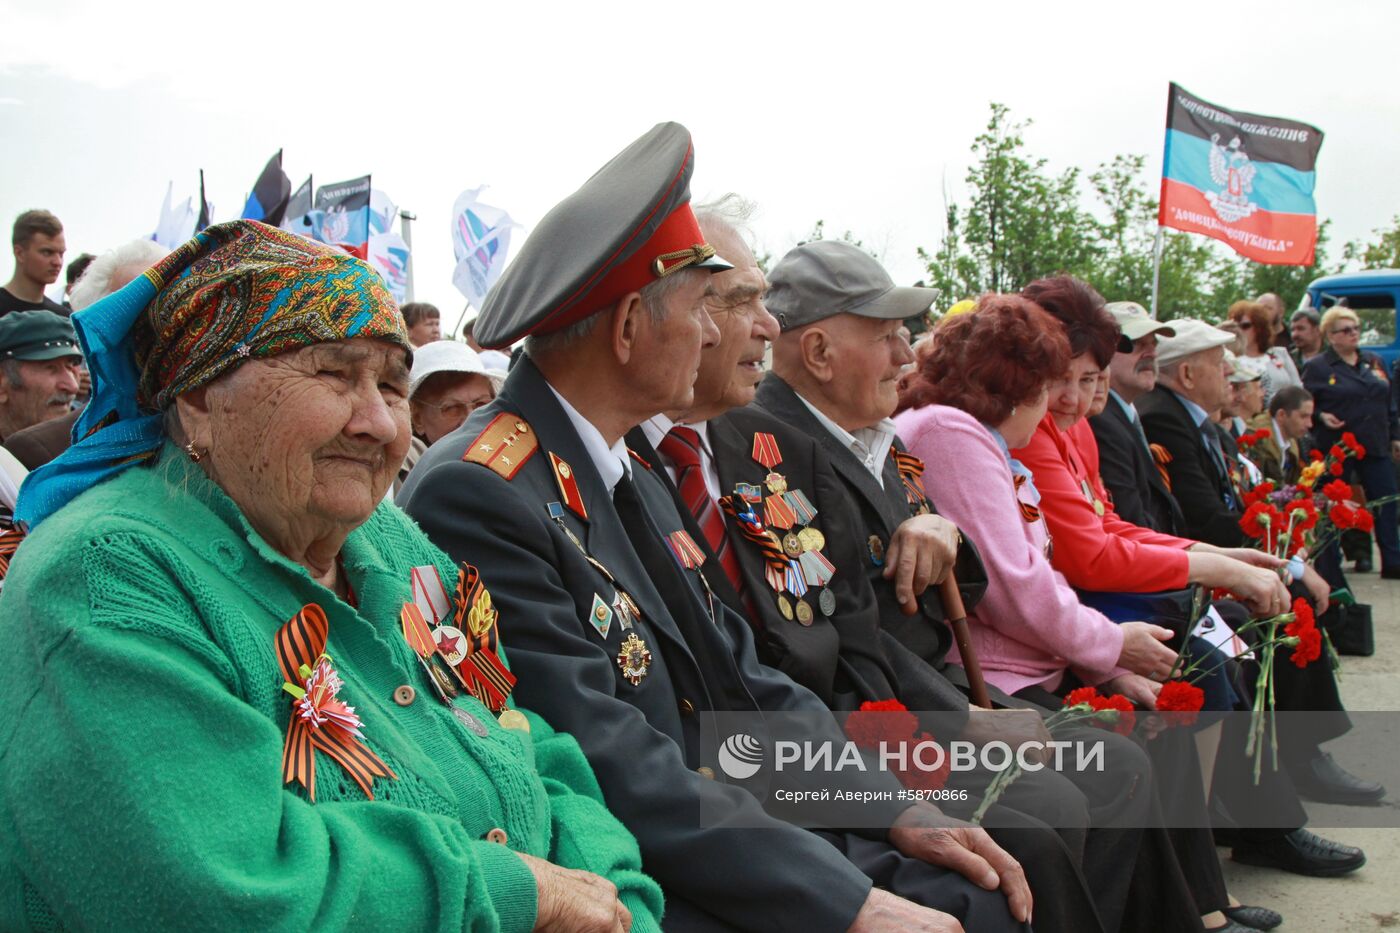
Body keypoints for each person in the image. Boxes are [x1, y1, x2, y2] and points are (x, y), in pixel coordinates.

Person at [401, 123, 1032, 933]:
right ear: (629, 325)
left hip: (734, 800)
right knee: (972, 906)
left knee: (987, 871)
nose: (714, 333)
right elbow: (612, 758)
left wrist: (892, 804)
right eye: (705, 306)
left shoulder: (623, 458)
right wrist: (849, 901)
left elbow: (741, 678)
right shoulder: (480, 489)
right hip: (643, 862)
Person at [0, 220, 662, 931]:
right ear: (197, 398)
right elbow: (227, 892)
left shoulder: (385, 535)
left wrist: (618, 895)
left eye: (392, 383)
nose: (377, 421)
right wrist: (517, 891)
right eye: (333, 373)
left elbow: (519, 729)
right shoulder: (104, 576)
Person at [5, 240, 172, 469]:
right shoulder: (45, 453)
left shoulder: (226, 415)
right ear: (100, 344)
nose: (171, 328)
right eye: (144, 317)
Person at [1302, 305, 1400, 579]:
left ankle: (1393, 560)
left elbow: (1388, 400)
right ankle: (1330, 566)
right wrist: (1321, 416)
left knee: (1386, 500)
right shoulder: (1318, 367)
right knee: (1332, 503)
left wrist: (1395, 436)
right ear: (1331, 336)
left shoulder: (1373, 361)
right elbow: (1306, 402)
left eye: (1356, 328)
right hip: (1337, 446)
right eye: (1346, 330)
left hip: (1375, 440)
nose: (1353, 334)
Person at [1089, 301, 1185, 535]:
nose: (1151, 352)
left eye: (1153, 343)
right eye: (1135, 344)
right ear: (1102, 353)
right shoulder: (1101, 421)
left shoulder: (1124, 415)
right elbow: (1131, 521)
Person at [398, 340, 503, 491]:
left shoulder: (518, 464)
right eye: (452, 408)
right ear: (417, 419)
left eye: (481, 404)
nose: (471, 419)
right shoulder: (402, 482)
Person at [0, 310, 82, 444]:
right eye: (50, 368)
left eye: (70, 366)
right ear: (1, 383)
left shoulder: (98, 436)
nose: (72, 386)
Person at [1227, 300, 1301, 405]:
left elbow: (1298, 389)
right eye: (1234, 326)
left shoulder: (1279, 353)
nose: (1239, 330)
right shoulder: (1231, 361)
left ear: (1259, 327)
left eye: (1245, 326)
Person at [1, 210, 67, 317]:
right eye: (47, 252)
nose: (57, 262)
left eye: (61, 254)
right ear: (20, 253)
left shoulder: (62, 318)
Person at [1249, 386, 1314, 485]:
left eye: (1310, 416)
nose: (1310, 424)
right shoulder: (1260, 441)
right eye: (1303, 416)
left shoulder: (1292, 440)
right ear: (1281, 415)